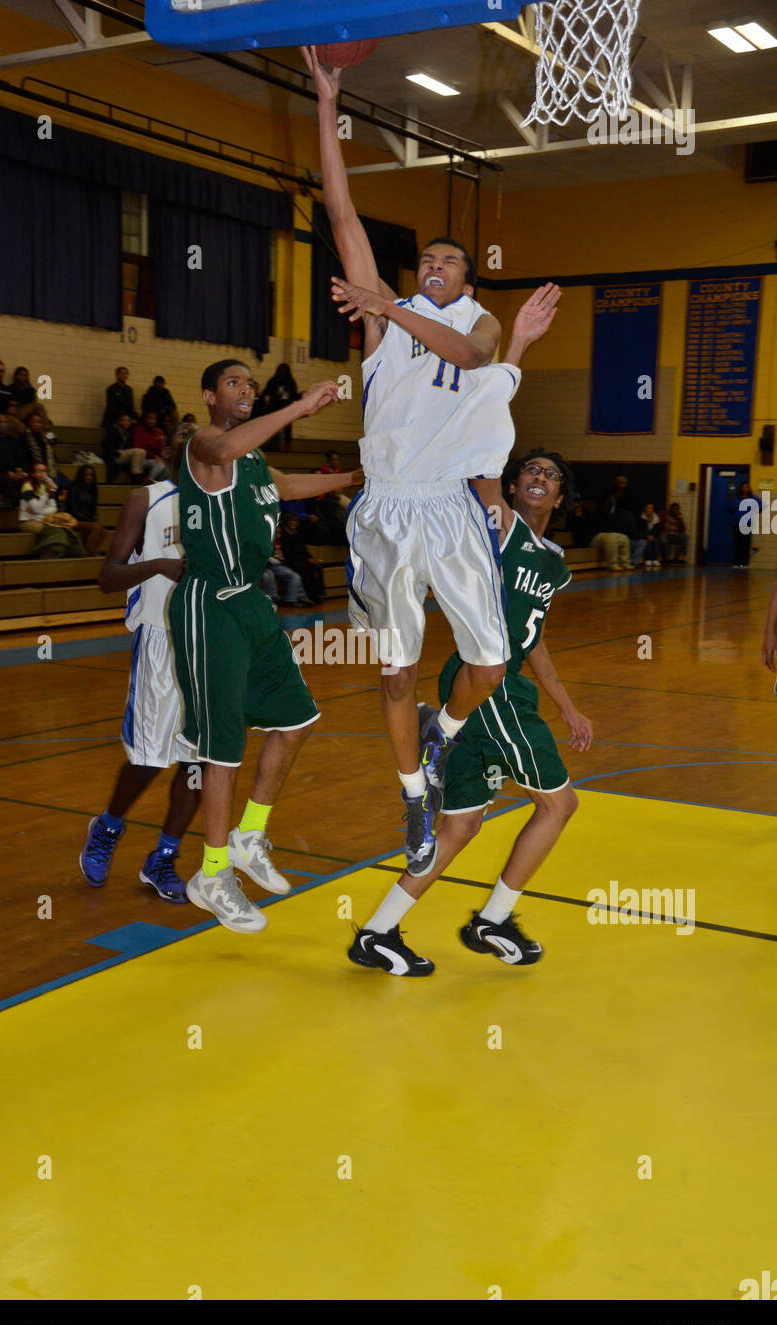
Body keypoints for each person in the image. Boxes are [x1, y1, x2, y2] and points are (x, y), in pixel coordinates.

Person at [304, 44, 560, 876]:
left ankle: (442, 737)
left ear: (467, 277)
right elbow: (342, 217)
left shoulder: (476, 326)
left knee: (486, 661)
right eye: (427, 261)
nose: (435, 267)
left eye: (448, 261)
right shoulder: (384, 319)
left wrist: (388, 305)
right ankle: (413, 789)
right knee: (393, 673)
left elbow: (476, 356)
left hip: (449, 506)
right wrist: (324, 97)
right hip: (386, 507)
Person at [348, 449, 592, 976]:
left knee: (461, 828)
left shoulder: (553, 560)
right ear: (511, 485)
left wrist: (569, 708)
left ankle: (376, 932)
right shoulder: (497, 527)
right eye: (530, 469)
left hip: (503, 681)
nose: (538, 477)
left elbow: (536, 642)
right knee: (559, 805)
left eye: (550, 474)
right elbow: (482, 472)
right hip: (489, 686)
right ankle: (494, 920)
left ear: (561, 497)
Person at [167, 358, 361, 931]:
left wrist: (353, 479)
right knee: (223, 748)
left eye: (250, 383)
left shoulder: (253, 461)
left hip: (252, 604)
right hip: (209, 605)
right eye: (234, 383)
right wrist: (301, 405)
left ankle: (250, 834)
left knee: (297, 718)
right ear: (209, 396)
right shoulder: (204, 445)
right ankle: (213, 872)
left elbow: (288, 486)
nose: (246, 389)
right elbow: (222, 451)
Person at [79, 424, 201, 902]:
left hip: (209, 646)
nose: (192, 442)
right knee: (149, 760)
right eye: (183, 436)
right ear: (169, 450)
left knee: (199, 765)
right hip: (161, 641)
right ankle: (108, 827)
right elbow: (107, 577)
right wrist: (156, 565)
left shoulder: (225, 503)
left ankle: (163, 860)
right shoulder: (144, 499)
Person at [20, 413, 68, 502]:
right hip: (34, 472)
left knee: (65, 483)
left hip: (47, 470)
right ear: (29, 424)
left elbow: (52, 458)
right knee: (50, 485)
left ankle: (60, 502)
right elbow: (23, 458)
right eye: (34, 422)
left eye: (39, 422)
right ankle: (53, 502)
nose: (37, 424)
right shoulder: (24, 438)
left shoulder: (44, 439)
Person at [281, 512, 325, 602]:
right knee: (305, 568)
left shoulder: (298, 534)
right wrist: (307, 560)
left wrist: (312, 559)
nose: (294, 523)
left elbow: (304, 550)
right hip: (290, 561)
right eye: (292, 521)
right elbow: (288, 553)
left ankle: (317, 593)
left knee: (317, 566)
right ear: (287, 522)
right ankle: (307, 595)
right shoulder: (283, 536)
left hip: (302, 560)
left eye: (295, 521)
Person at [66, 463, 108, 555]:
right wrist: (90, 521)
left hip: (86, 520)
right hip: (73, 520)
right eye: (86, 475)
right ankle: (90, 553)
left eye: (91, 475)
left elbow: (93, 509)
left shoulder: (93, 489)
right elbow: (73, 509)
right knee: (95, 528)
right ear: (81, 475)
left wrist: (94, 520)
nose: (89, 477)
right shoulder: (74, 487)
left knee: (104, 532)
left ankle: (96, 551)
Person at [260, 363, 300, 449]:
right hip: (274, 407)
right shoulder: (273, 381)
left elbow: (294, 395)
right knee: (272, 427)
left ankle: (287, 446)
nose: (282, 372)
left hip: (287, 408)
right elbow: (265, 392)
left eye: (284, 371)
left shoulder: (291, 382)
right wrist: (264, 403)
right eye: (281, 370)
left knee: (287, 428)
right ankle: (270, 445)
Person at [102, 413, 146, 483]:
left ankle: (138, 474)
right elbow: (106, 446)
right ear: (119, 421)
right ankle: (136, 476)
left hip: (123, 455)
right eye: (124, 420)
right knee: (138, 452)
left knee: (142, 452)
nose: (126, 423)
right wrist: (116, 451)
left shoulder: (128, 433)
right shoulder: (113, 431)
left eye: (128, 421)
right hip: (114, 456)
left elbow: (129, 446)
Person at [730, 481, 759, 569]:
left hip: (747, 524)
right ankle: (737, 563)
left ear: (748, 488)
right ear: (740, 488)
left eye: (747, 487)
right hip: (736, 524)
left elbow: (760, 507)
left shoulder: (753, 498)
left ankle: (744, 563)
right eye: (743, 487)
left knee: (745, 544)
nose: (745, 488)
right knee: (737, 544)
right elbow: (730, 508)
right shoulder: (735, 499)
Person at [132, 411, 169, 479]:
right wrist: (154, 456)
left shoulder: (157, 431)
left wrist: (161, 440)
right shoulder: (139, 429)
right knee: (160, 465)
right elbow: (139, 448)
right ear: (145, 420)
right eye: (149, 419)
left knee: (167, 469)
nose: (152, 421)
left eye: (154, 419)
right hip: (141, 459)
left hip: (155, 459)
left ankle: (157, 486)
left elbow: (161, 449)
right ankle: (148, 482)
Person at [635, 502, 662, 569]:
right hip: (644, 536)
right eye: (648, 508)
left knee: (655, 540)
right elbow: (639, 530)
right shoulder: (641, 518)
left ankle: (655, 559)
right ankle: (647, 559)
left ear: (653, 510)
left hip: (653, 536)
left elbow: (657, 530)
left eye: (651, 508)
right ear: (645, 509)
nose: (649, 509)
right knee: (647, 541)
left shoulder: (656, 519)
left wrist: (652, 535)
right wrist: (646, 535)